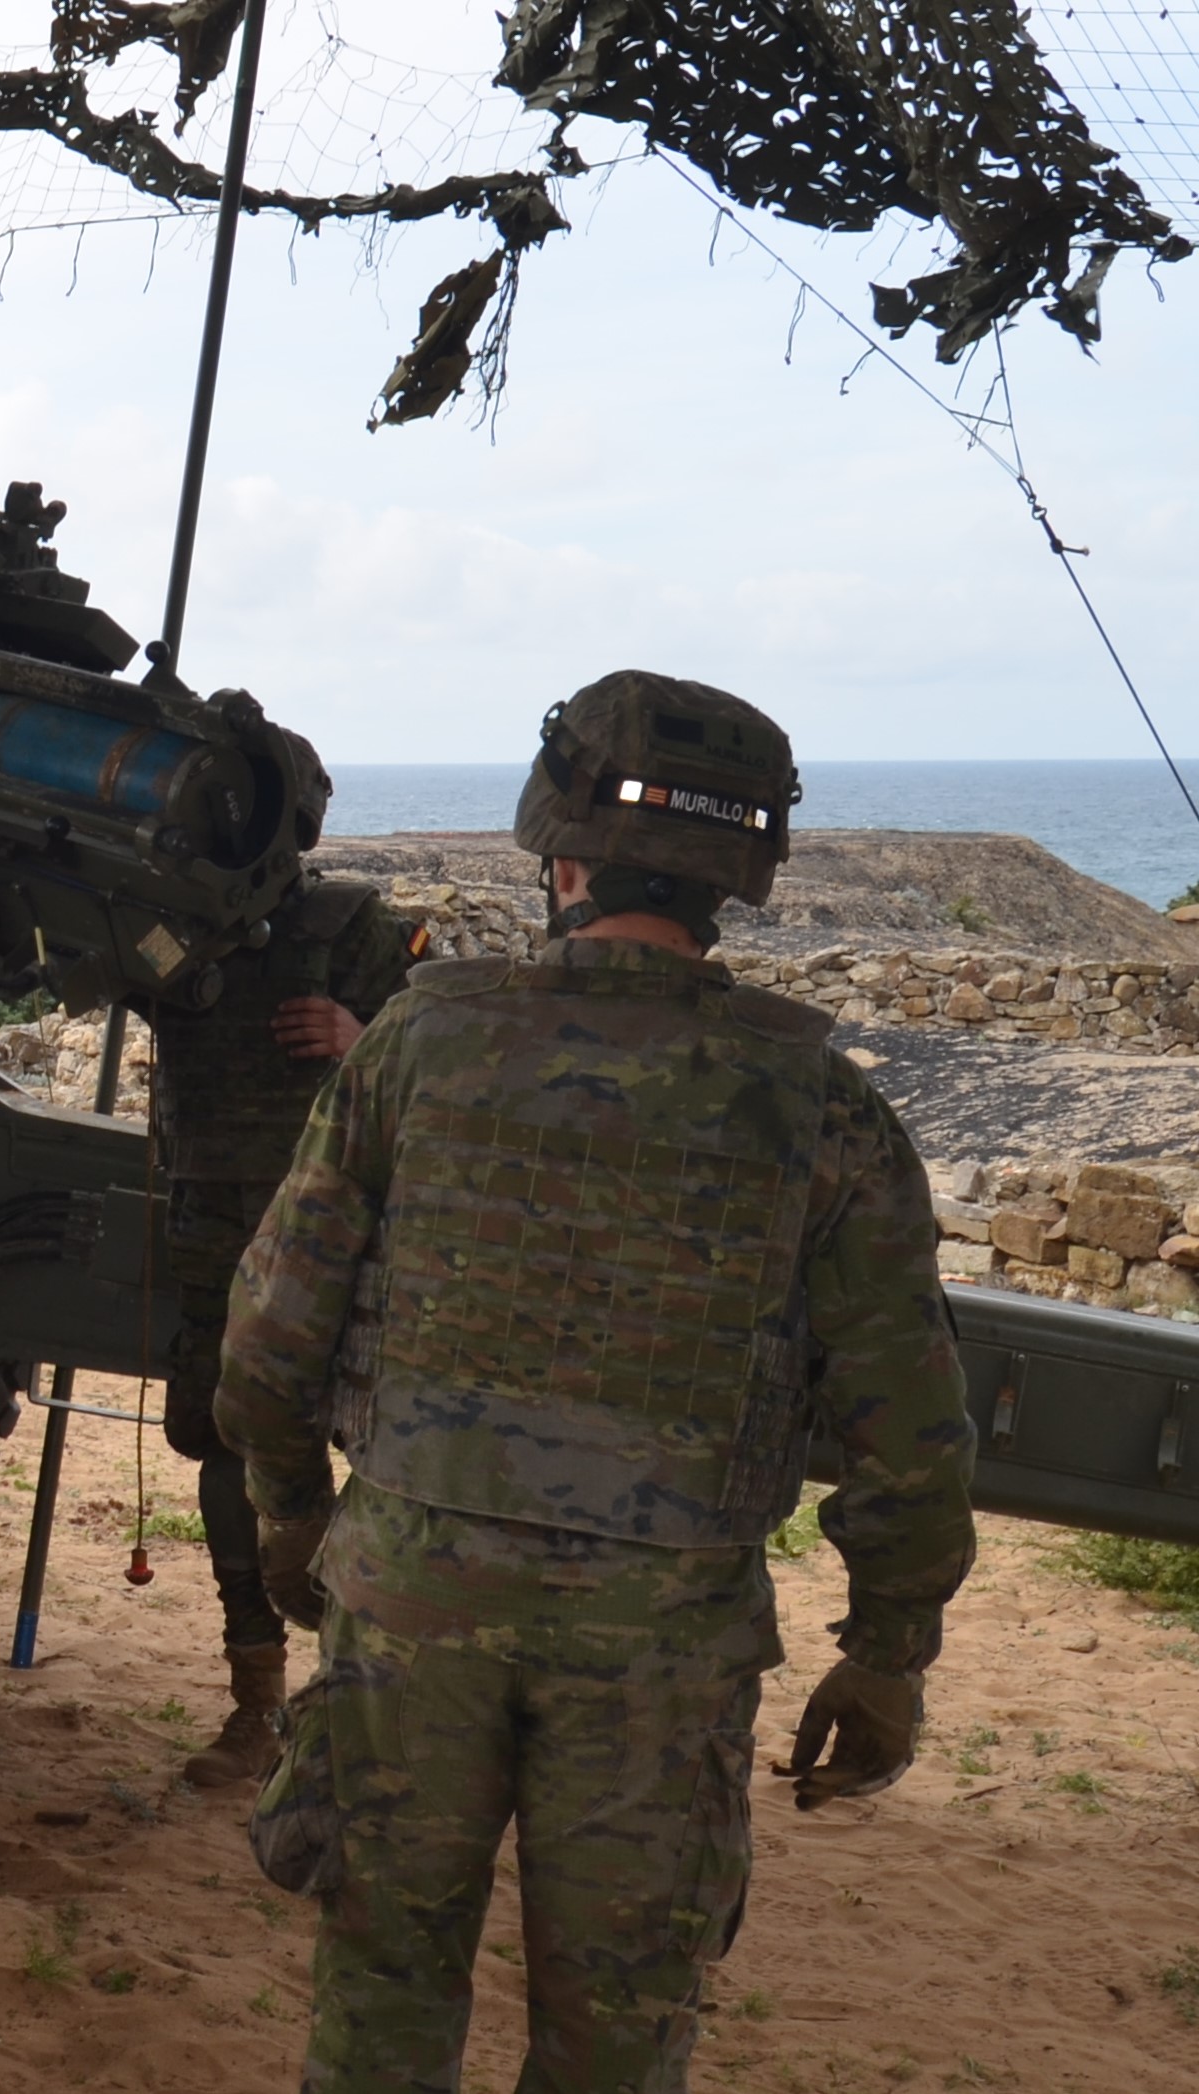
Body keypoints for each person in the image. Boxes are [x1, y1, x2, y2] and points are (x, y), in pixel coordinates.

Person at [215, 671, 977, 2090]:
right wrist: (888, 1656)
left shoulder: (415, 1048)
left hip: (410, 1600)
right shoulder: (821, 1105)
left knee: (381, 1994)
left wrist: (290, 1513)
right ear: (738, 876)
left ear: (559, 850)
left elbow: (270, 1342)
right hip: (663, 1642)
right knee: (619, 2034)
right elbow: (911, 1429)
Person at [141, 870, 426, 1786]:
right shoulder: (167, 923)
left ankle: (365, 1707)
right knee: (227, 1450)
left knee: (387, 1465)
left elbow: (457, 1061)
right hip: (213, 1233)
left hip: (345, 1236)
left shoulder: (355, 928)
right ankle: (255, 1704)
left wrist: (363, 1037)